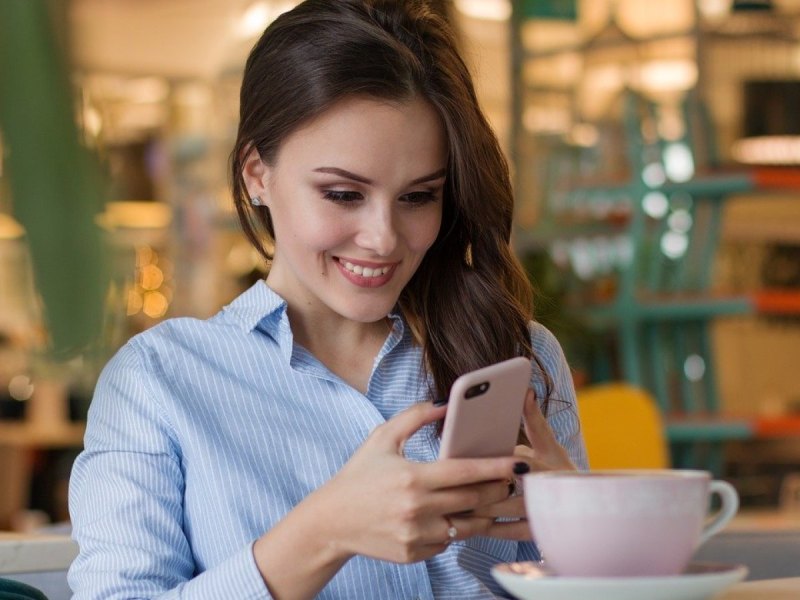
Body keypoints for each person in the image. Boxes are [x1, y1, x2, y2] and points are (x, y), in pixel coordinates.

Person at [68, 1, 587, 598]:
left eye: (418, 197)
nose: (384, 238)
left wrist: (587, 535)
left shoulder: (516, 355)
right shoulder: (158, 380)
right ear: (255, 174)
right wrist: (324, 532)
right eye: (343, 193)